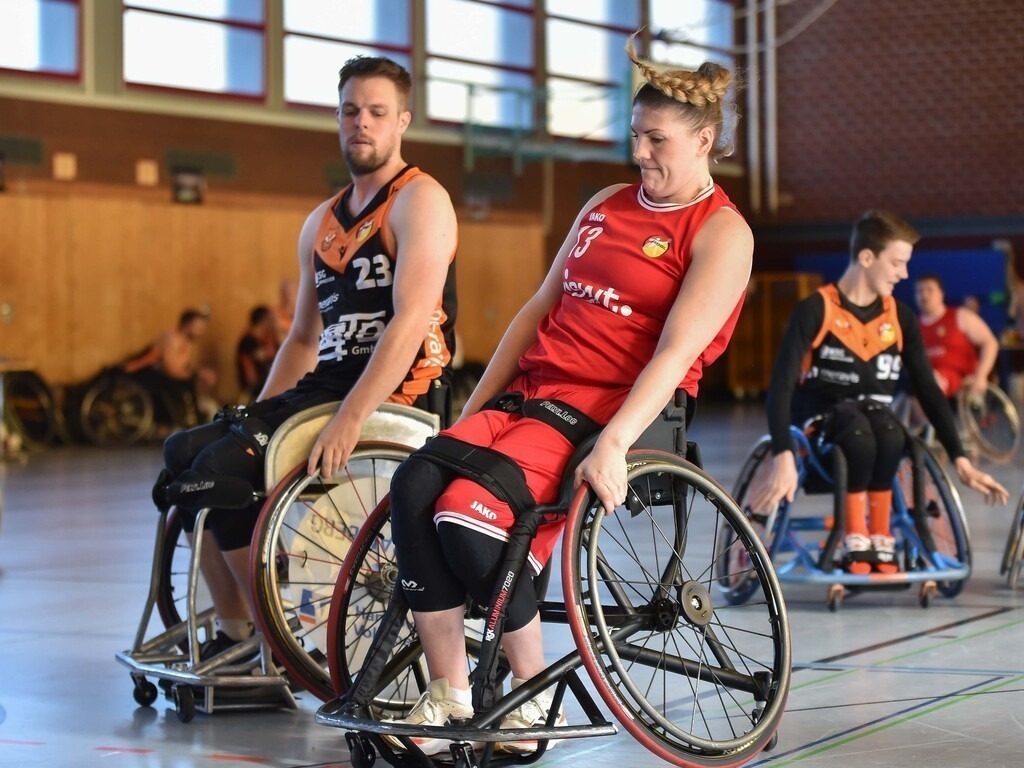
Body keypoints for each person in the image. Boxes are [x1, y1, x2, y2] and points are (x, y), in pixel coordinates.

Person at [384, 35, 751, 756]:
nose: (640, 152)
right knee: (415, 481)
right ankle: (451, 691)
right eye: (635, 136)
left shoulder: (721, 232)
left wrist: (613, 443)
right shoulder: (605, 204)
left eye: (657, 139)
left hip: (599, 411)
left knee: (468, 519)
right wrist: (470, 412)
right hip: (526, 395)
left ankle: (529, 695)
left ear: (704, 139)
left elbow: (678, 354)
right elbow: (535, 311)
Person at [153, 55, 458, 658]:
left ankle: (287, 638)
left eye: (375, 112)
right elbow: (299, 340)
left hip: (398, 392)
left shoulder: (419, 200)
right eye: (349, 111)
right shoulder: (320, 220)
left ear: (403, 121)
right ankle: (237, 634)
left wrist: (350, 417)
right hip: (324, 384)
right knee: (188, 456)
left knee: (224, 467)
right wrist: (252, 419)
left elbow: (411, 320)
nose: (360, 124)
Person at [752, 211, 1008, 576]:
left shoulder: (899, 317)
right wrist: (782, 453)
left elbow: (928, 391)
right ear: (867, 257)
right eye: (897, 263)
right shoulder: (816, 309)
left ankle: (880, 536)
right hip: (822, 428)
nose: (903, 274)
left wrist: (961, 457)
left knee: (890, 432)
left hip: (875, 424)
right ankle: (855, 534)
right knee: (858, 430)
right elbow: (780, 387)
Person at [122, 308, 217, 428]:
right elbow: (170, 368)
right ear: (187, 325)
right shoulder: (172, 339)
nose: (201, 332)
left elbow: (182, 365)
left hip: (167, 374)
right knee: (188, 384)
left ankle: (197, 416)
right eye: (198, 328)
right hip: (155, 375)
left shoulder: (184, 341)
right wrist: (194, 375)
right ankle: (189, 419)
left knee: (194, 382)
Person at [914, 274, 998, 403]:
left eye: (929, 290)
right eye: (920, 291)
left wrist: (981, 376)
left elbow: (990, 343)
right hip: (925, 380)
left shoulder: (961, 316)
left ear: (941, 294)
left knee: (932, 382)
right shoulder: (912, 326)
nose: (924, 295)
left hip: (961, 380)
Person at [236, 305, 278, 403]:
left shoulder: (263, 339)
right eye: (270, 318)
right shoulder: (248, 340)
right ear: (264, 319)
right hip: (254, 389)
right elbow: (266, 355)